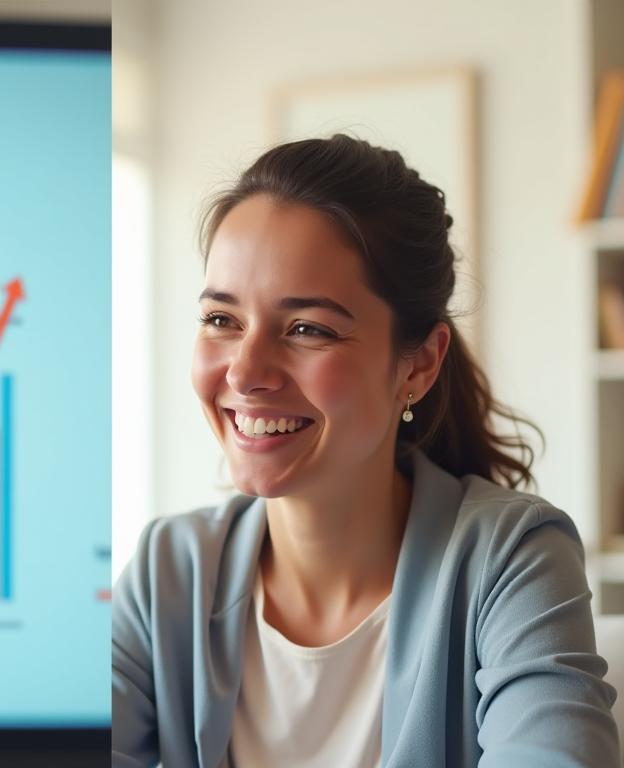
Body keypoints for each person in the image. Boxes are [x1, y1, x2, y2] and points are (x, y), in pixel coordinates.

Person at [111, 134, 621, 767]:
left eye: (307, 329)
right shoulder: (171, 570)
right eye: (223, 320)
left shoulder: (509, 559)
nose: (245, 373)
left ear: (418, 365)